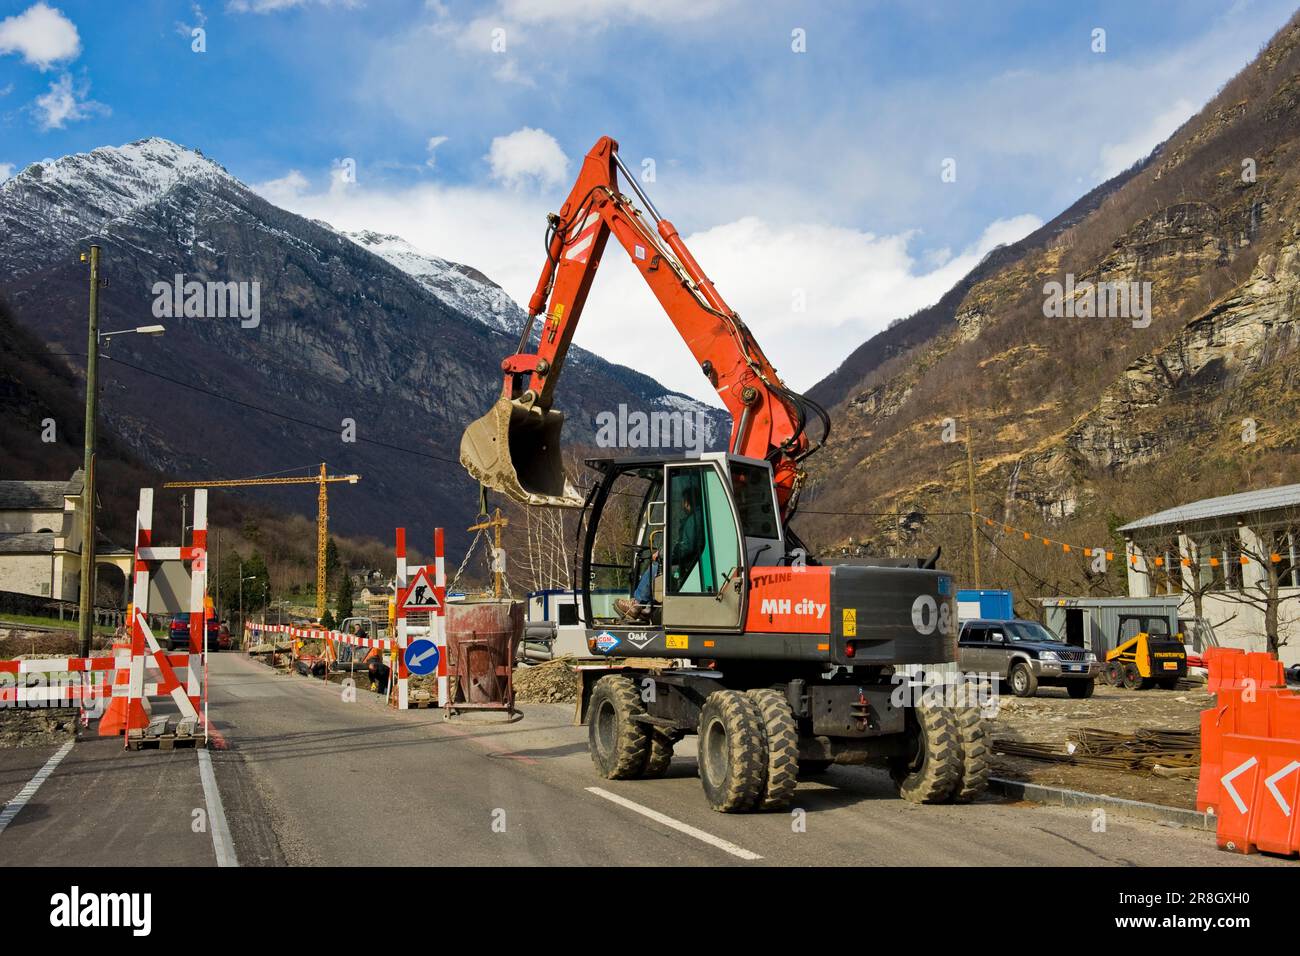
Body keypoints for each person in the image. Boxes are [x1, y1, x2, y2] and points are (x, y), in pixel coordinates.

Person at [616, 485, 704, 621]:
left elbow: (686, 547)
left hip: (688, 565)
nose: (682, 505)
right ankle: (647, 607)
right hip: (691, 563)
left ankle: (637, 604)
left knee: (656, 566)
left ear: (688, 501)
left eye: (683, 501)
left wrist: (663, 555)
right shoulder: (699, 517)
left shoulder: (693, 520)